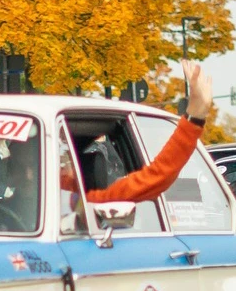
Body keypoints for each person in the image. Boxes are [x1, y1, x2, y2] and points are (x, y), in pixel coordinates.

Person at [80, 61, 212, 205]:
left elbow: (156, 177)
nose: (65, 166)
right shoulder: (80, 204)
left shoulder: (87, 204)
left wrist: (193, 119)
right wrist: (193, 119)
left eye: (67, 160)